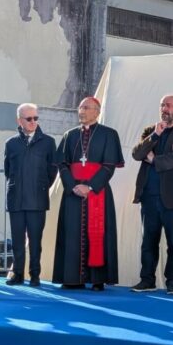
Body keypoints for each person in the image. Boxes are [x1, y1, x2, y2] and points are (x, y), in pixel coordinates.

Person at [52, 96, 124, 290]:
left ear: (97, 111)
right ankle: (72, 278)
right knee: (71, 233)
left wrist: (90, 186)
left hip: (97, 191)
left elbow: (109, 165)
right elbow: (62, 163)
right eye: (80, 108)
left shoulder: (109, 134)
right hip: (73, 191)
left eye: (86, 108)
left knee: (98, 233)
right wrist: (72, 186)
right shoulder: (70, 135)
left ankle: (97, 279)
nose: (81, 111)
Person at [130, 94, 173, 295]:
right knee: (148, 241)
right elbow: (136, 154)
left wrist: (154, 160)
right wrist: (155, 137)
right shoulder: (150, 131)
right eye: (162, 105)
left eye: (169, 105)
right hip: (149, 196)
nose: (164, 108)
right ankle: (147, 279)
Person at [3, 102, 57, 287]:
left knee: (35, 240)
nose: (33, 121)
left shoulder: (48, 142)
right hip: (16, 198)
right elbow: (8, 170)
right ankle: (17, 274)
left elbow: (52, 171)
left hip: (37, 199)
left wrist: (40, 186)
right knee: (17, 240)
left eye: (36, 118)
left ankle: (34, 275)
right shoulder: (11, 144)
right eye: (29, 119)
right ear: (20, 120)